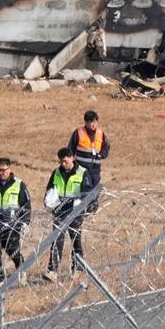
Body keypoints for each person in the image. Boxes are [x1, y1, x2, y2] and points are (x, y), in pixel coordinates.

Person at [43, 148, 91, 282]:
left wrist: (80, 202)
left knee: (75, 239)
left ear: (72, 158)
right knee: (57, 239)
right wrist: (48, 201)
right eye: (61, 161)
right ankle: (52, 271)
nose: (63, 164)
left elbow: (87, 191)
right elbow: (50, 189)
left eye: (65, 161)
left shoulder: (82, 172)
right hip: (60, 211)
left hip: (76, 211)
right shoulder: (56, 173)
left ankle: (78, 269)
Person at [0, 157, 31, 287]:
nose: (1, 173)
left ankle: (21, 269)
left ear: (10, 169)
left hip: (12, 224)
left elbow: (26, 205)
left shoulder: (19, 184)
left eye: (4, 170)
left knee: (12, 250)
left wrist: (25, 222)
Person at [68, 110, 109, 213]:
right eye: (91, 122)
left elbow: (106, 147)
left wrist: (101, 155)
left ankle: (92, 211)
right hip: (81, 168)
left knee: (95, 189)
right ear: (86, 122)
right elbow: (70, 149)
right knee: (82, 189)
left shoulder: (100, 133)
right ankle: (80, 209)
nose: (93, 124)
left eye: (95, 121)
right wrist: (70, 163)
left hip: (95, 169)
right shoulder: (78, 133)